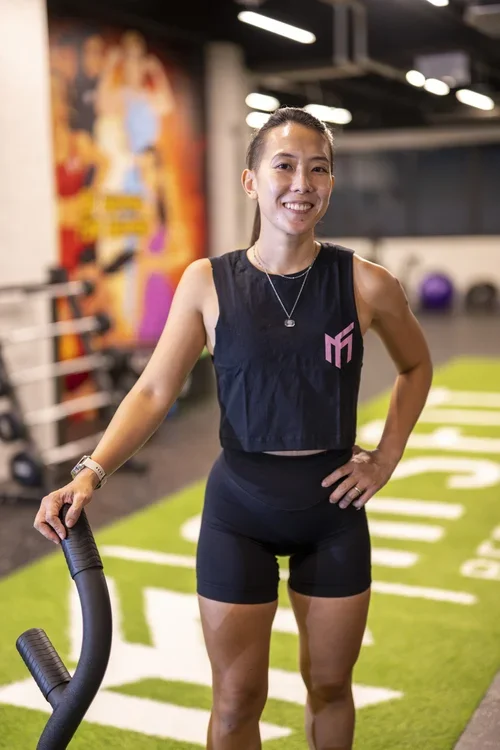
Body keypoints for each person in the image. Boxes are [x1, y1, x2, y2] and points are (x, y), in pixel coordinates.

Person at [34, 107, 433, 750]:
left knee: (330, 687)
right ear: (251, 181)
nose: (301, 183)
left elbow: (416, 366)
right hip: (239, 513)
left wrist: (386, 458)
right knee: (236, 699)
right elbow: (154, 391)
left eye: (318, 169)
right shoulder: (207, 282)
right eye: (284, 166)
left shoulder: (366, 283)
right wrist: (90, 473)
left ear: (331, 184)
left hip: (332, 514)